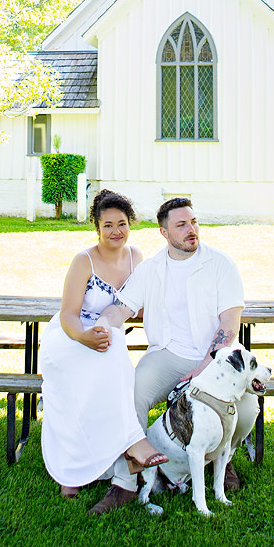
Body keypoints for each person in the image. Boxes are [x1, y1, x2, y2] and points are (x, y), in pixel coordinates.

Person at [87, 196, 248, 516]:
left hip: (212, 361)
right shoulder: (151, 270)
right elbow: (122, 308)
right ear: (164, 232)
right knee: (131, 392)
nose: (192, 230)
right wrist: (103, 325)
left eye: (194, 222)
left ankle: (221, 459)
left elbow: (230, 322)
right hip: (167, 356)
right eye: (182, 225)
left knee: (245, 410)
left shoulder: (220, 264)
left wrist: (206, 364)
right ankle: (126, 484)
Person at [38, 188, 168, 498]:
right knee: (101, 365)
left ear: (130, 224)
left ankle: (115, 454)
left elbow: (145, 302)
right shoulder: (84, 261)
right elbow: (67, 314)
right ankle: (81, 466)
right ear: (97, 227)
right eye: (107, 225)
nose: (115, 231)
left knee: (113, 358)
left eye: (121, 223)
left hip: (107, 336)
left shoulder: (137, 258)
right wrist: (83, 337)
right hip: (70, 338)